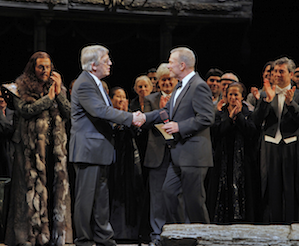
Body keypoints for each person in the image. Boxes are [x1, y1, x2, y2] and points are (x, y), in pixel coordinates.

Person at [69, 44, 144, 246]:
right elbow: (99, 111)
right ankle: (84, 239)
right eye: (106, 60)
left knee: (101, 198)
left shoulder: (97, 84)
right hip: (88, 150)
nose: (110, 63)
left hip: (100, 150)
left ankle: (104, 238)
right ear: (93, 65)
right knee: (86, 198)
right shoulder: (84, 83)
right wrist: (130, 117)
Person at [144, 47, 214, 233]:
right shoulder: (180, 86)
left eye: (171, 61)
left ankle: (204, 238)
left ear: (182, 65)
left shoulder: (199, 85)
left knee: (194, 202)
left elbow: (207, 117)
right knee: (169, 193)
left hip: (194, 155)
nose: (168, 65)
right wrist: (144, 118)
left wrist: (179, 127)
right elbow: (165, 111)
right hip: (179, 155)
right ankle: (180, 235)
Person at [5, 51, 73, 246]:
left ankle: (53, 234)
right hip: (30, 150)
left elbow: (68, 112)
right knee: (30, 193)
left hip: (53, 149)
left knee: (54, 190)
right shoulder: (20, 87)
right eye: (41, 66)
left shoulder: (56, 87)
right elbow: (26, 111)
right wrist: (49, 97)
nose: (45, 70)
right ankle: (30, 235)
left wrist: (58, 92)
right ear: (32, 68)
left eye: (48, 66)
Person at [252, 57, 299, 223]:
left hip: (291, 144)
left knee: (291, 187)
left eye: (281, 71)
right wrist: (266, 102)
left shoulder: (297, 94)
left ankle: (292, 224)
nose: (277, 75)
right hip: (270, 144)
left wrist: (291, 103)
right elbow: (256, 121)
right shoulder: (266, 94)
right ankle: (273, 225)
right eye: (275, 72)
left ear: (291, 74)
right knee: (271, 187)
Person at [206, 82, 260, 223]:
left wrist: (239, 117)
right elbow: (216, 133)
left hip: (243, 161)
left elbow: (252, 133)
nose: (233, 97)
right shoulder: (219, 114)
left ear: (242, 97)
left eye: (236, 94)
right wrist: (230, 119)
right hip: (222, 161)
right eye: (230, 94)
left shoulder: (249, 114)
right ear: (225, 96)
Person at [143, 63, 179, 246]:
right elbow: (145, 121)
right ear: (158, 82)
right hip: (157, 153)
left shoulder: (182, 97)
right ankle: (156, 235)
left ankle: (176, 233)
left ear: (175, 80)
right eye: (163, 80)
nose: (166, 83)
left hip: (179, 152)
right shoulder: (151, 99)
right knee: (156, 197)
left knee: (175, 195)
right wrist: (161, 112)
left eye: (169, 79)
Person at [108, 86, 144, 241]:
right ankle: (113, 232)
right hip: (112, 161)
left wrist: (127, 117)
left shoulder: (131, 116)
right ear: (110, 99)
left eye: (124, 97)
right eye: (118, 96)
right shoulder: (107, 116)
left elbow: (138, 134)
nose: (121, 100)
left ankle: (130, 233)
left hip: (130, 162)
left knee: (131, 195)